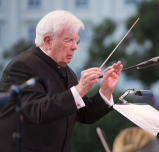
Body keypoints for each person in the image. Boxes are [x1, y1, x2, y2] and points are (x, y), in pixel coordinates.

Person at [0, 10, 123, 152]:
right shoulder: (23, 66)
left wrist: (106, 90)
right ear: (48, 41)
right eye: (68, 40)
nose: (75, 46)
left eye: (76, 40)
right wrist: (80, 89)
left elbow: (84, 114)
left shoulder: (68, 72)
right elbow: (38, 111)